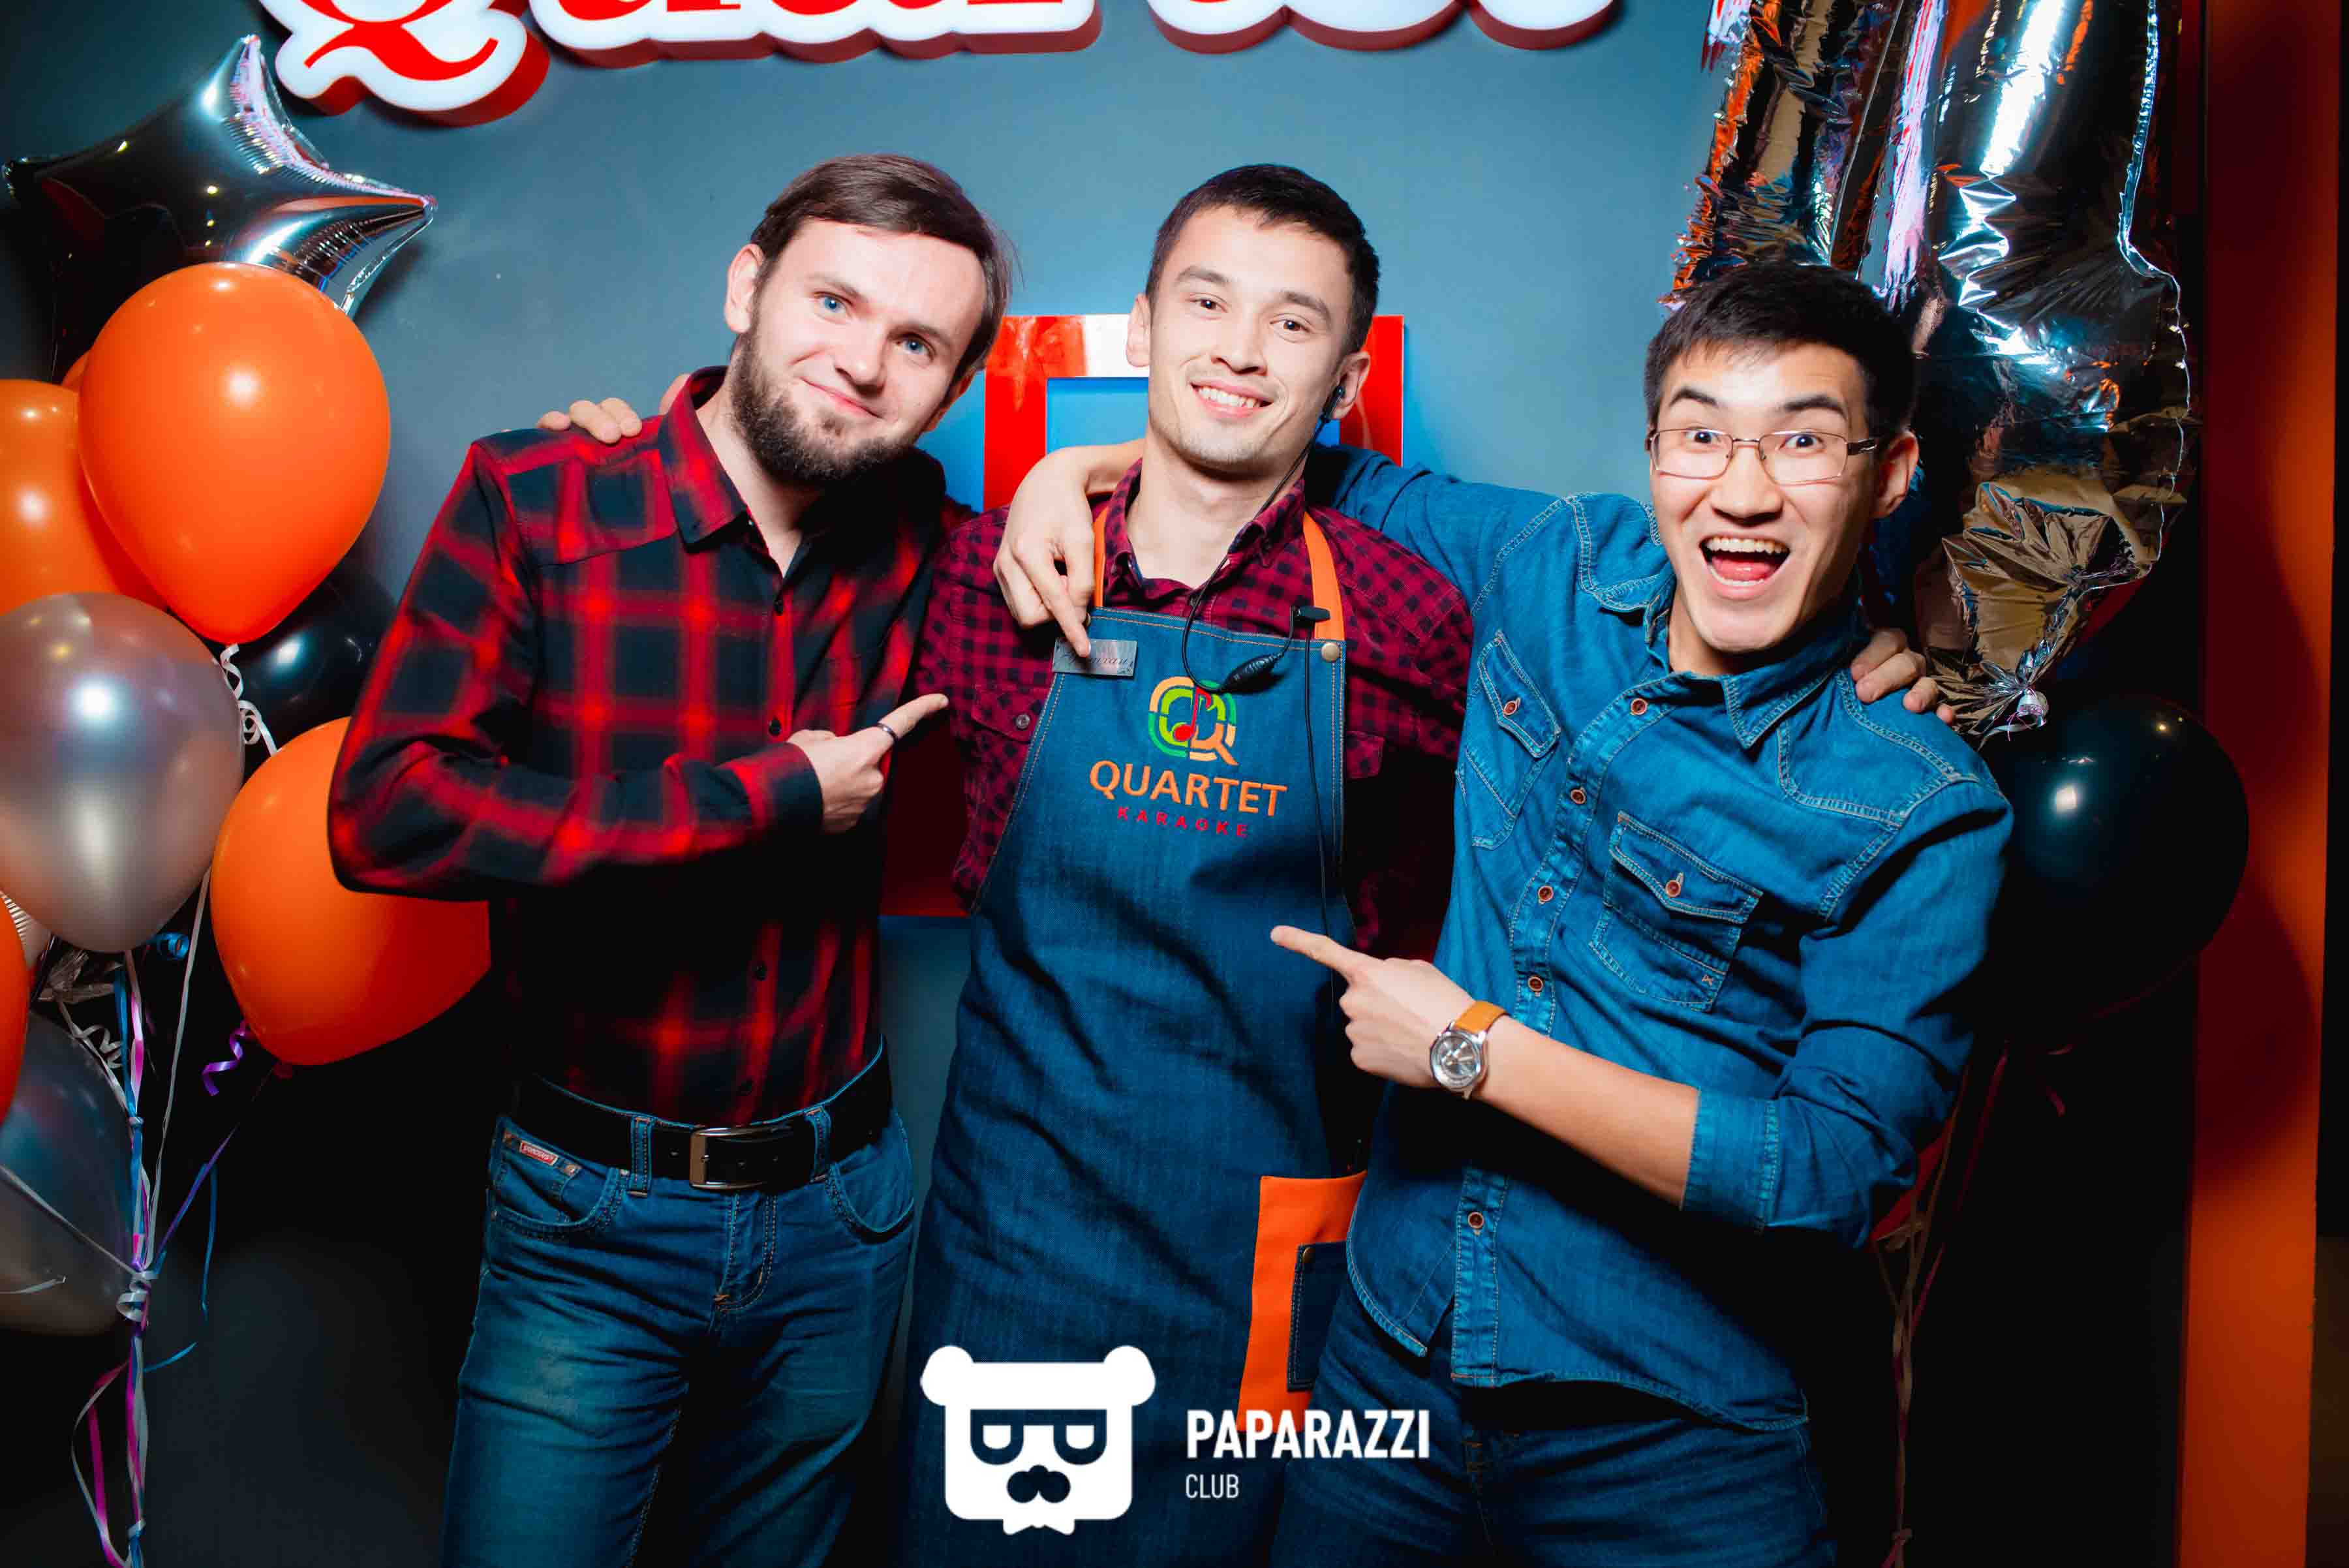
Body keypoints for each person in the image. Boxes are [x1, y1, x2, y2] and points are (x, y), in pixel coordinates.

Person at [996, 260, 2006, 1565]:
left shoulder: (1918, 801)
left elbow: (1831, 1169)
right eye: (1702, 435)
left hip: (1669, 1440)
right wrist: (1072, 468)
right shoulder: (1560, 563)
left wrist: (1471, 1050)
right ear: (1655, 452)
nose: (1745, 489)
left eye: (1804, 442)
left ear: (1890, 470)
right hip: (1389, 1366)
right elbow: (1311, 465)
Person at [326, 153, 1010, 1568]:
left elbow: (1163, 539)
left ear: (950, 388)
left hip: (843, 1208)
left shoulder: (924, 540)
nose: (864, 362)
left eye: (918, 344)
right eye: (834, 301)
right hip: (591, 1213)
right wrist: (762, 797)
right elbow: (387, 812)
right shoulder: (542, 498)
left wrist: (1073, 472)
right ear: (747, 287)